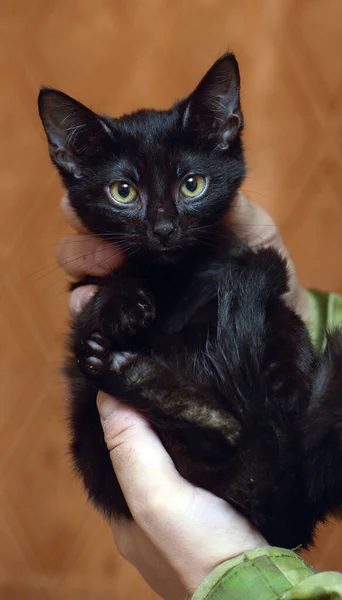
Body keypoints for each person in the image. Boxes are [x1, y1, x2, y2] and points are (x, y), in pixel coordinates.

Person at [58, 192, 342, 600]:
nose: (162, 222)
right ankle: (190, 414)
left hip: (256, 474)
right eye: (125, 194)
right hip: (275, 466)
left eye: (190, 185)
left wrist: (222, 571)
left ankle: (186, 413)